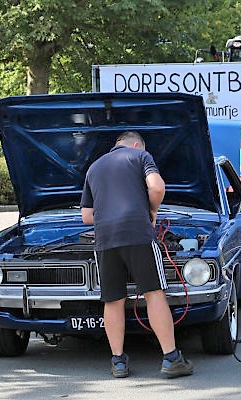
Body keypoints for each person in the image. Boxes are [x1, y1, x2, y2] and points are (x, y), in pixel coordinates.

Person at [81, 131, 194, 379]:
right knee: (154, 293)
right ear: (135, 145)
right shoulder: (140, 155)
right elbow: (157, 186)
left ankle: (118, 361)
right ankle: (171, 358)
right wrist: (151, 211)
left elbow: (87, 216)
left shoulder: (94, 167)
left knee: (113, 300)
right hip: (138, 233)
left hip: (105, 239)